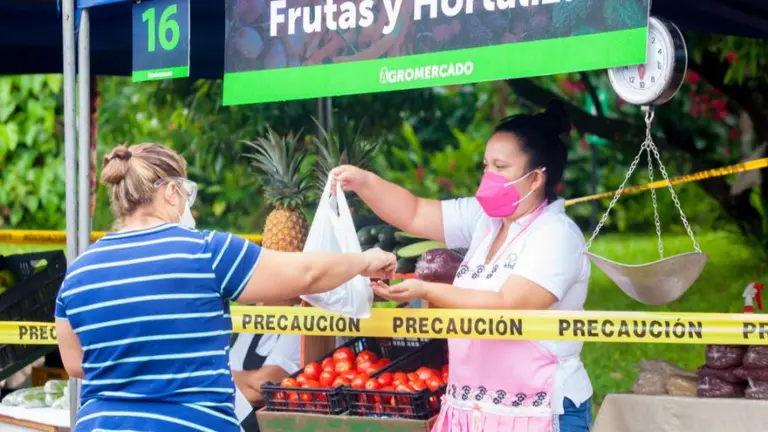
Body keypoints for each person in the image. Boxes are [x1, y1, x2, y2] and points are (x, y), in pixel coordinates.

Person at [54, 143, 396, 432]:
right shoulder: (204, 251)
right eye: (188, 193)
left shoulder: (79, 272)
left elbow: (74, 363)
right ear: (171, 192)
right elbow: (303, 274)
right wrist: (362, 262)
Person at [331, 101, 592, 432]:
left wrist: (427, 290)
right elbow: (413, 212)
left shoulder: (557, 235)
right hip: (473, 410)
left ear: (536, 177)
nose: (488, 177)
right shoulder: (485, 220)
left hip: (539, 410)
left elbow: (508, 304)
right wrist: (362, 181)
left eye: (501, 167)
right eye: (486, 166)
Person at [230, 331, 301, 431]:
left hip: (267, 425)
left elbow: (264, 389)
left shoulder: (295, 326)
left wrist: (229, 379)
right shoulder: (243, 324)